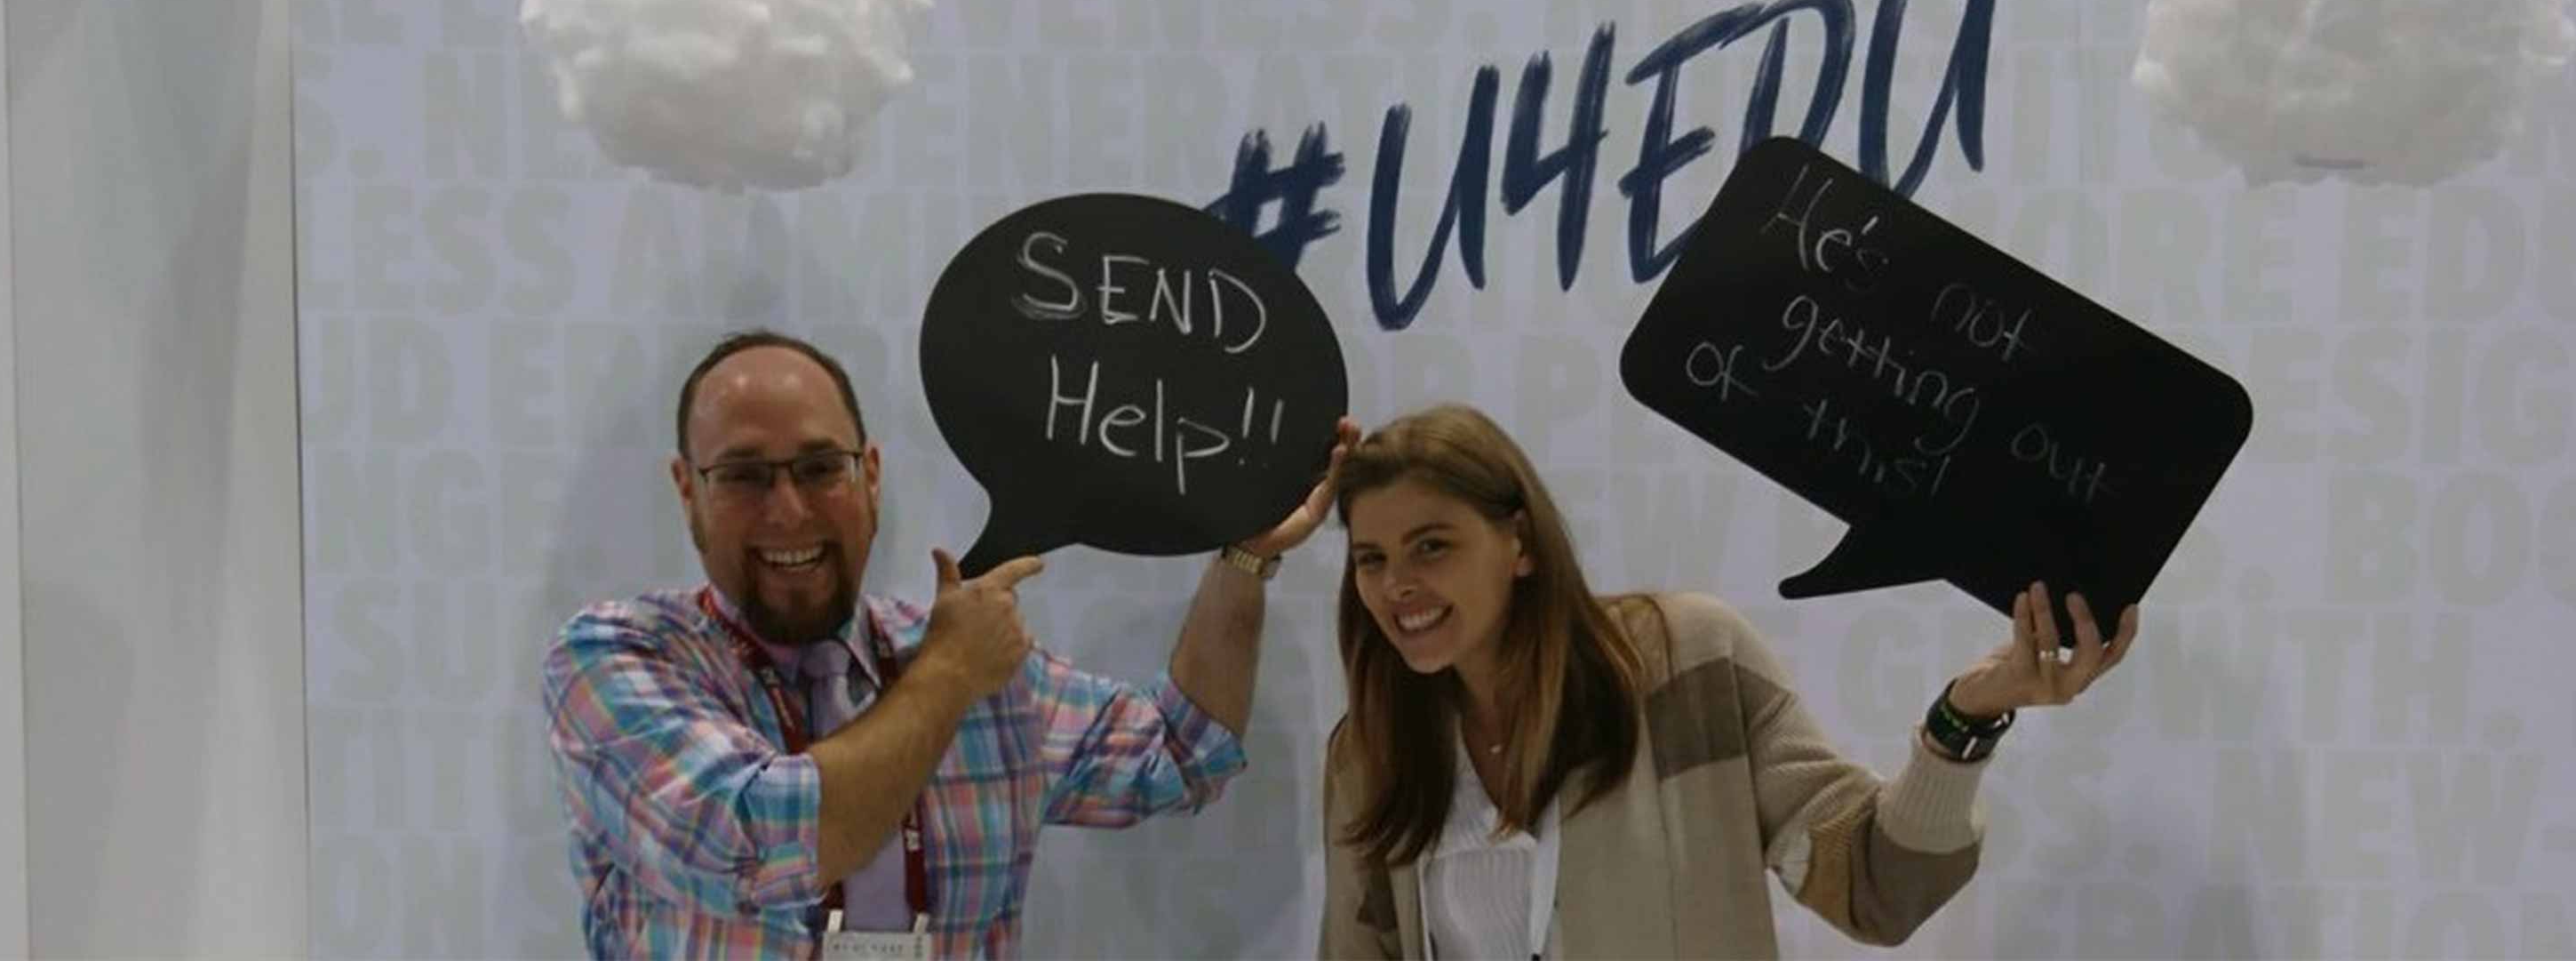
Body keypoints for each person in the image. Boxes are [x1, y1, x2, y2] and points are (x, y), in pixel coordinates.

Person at [541, 329, 1353, 958]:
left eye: (821, 468)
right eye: (745, 476)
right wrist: (950, 674)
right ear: (687, 489)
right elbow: (764, 844)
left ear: (871, 474)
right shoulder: (618, 659)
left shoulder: (961, 655)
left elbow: (1180, 751)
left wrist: (1247, 558)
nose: (788, 511)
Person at [1317, 404, 2138, 958]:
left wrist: (1964, 720)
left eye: (1432, 546)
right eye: (1371, 560)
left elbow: (1877, 886)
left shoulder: (1683, 662)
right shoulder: (1370, 752)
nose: (1398, 586)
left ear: (1520, 544)